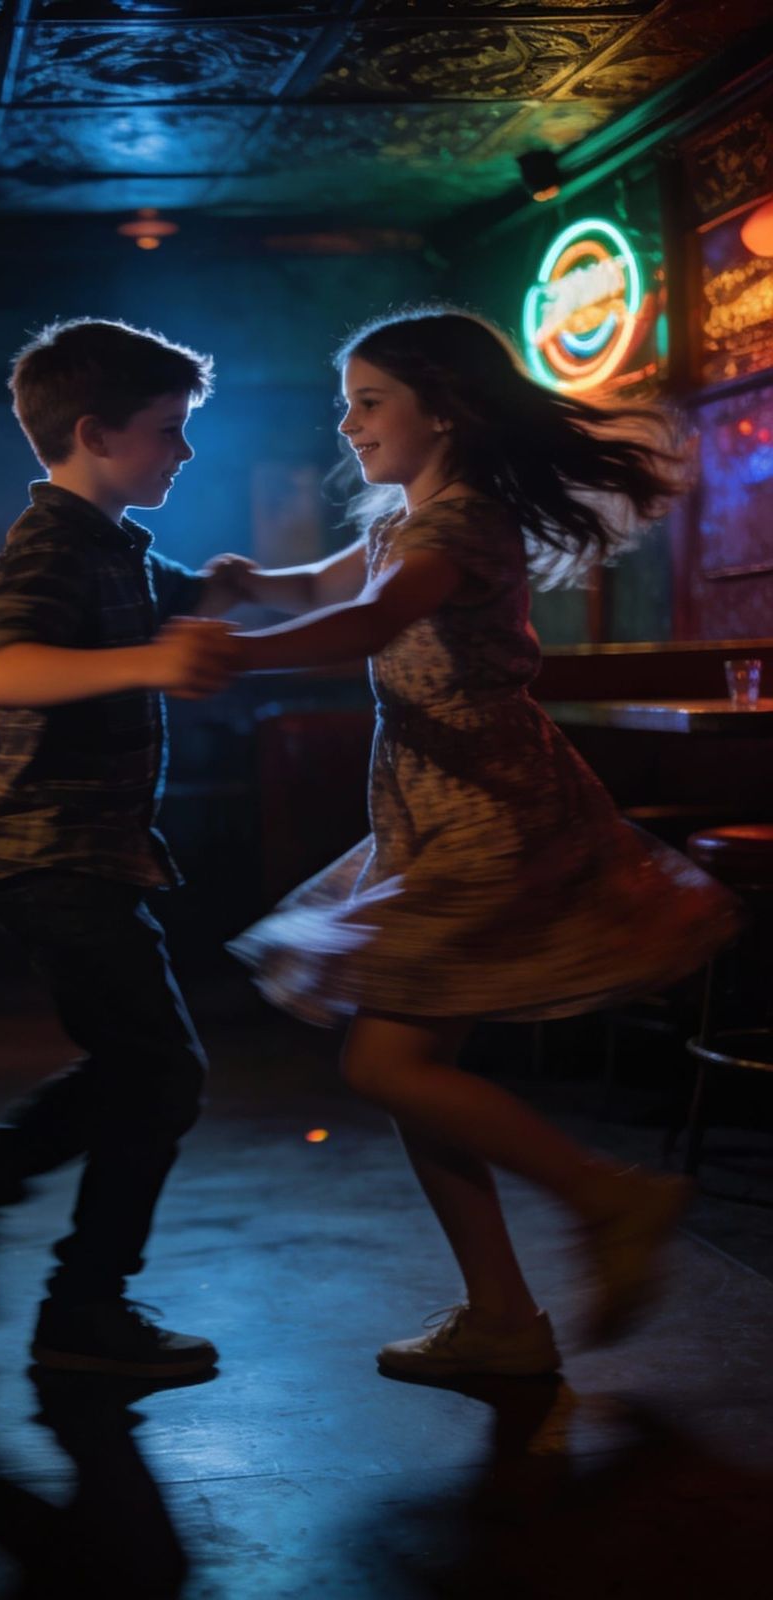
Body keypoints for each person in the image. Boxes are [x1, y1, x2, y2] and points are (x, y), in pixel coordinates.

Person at [224, 306, 741, 1379]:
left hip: (488, 816)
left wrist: (230, 654)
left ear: (445, 410)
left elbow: (369, 622)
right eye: (346, 404)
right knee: (414, 1071)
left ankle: (609, 1198)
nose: (347, 425)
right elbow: (321, 589)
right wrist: (238, 585)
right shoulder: (403, 524)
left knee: (387, 1060)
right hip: (431, 817)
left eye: (370, 402)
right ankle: (503, 1316)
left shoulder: (457, 527)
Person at [0, 317, 250, 1378]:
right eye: (167, 430)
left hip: (72, 850)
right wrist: (151, 664)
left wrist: (236, 587)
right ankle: (76, 1303)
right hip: (50, 850)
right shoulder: (51, 542)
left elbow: (177, 602)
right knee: (159, 1071)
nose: (184, 450)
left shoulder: (108, 543)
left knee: (144, 1069)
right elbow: (3, 671)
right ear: (95, 434)